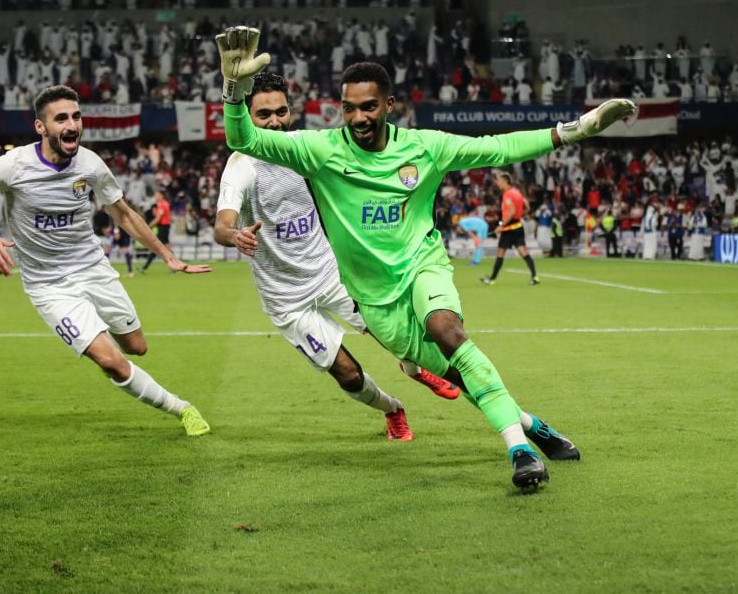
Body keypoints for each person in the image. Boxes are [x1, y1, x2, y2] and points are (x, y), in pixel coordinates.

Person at [216, 25, 635, 490]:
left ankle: (519, 451)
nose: (358, 117)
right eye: (349, 108)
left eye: (369, 106)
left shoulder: (425, 147)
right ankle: (532, 426)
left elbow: (497, 147)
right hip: (374, 299)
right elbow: (243, 140)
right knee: (454, 370)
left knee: (446, 329)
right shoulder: (319, 151)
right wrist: (234, 91)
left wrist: (576, 130)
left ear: (389, 105)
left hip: (422, 266)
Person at [0, 84, 213, 437]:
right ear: (41, 127)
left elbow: (123, 214)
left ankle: (102, 341)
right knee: (111, 360)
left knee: (136, 348)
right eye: (61, 118)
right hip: (49, 286)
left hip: (94, 270)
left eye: (76, 117)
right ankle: (182, 408)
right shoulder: (12, 166)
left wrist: (168, 256)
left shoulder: (90, 164)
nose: (72, 125)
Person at [214, 73, 459, 443]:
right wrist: (234, 234)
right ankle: (392, 409)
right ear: (247, 118)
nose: (275, 121)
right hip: (286, 298)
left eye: (281, 111)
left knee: (390, 329)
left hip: (331, 273)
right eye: (263, 115)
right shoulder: (242, 166)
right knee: (347, 374)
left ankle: (416, 366)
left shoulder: (304, 147)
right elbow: (221, 224)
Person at [480, 172, 538, 286]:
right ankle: (535, 276)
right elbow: (527, 207)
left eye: (499, 181)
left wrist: (501, 225)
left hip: (508, 229)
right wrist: (519, 215)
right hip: (518, 227)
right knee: (523, 252)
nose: (497, 183)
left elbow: (511, 212)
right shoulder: (517, 193)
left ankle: (492, 279)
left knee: (500, 253)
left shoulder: (508, 194)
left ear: (505, 181)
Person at [139, 189, 171, 273]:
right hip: (163, 228)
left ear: (161, 196)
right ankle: (175, 266)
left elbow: (158, 219)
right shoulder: (160, 205)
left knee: (156, 247)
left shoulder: (164, 204)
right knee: (166, 248)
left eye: (157, 195)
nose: (155, 197)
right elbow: (158, 216)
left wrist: (148, 227)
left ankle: (145, 267)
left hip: (164, 227)